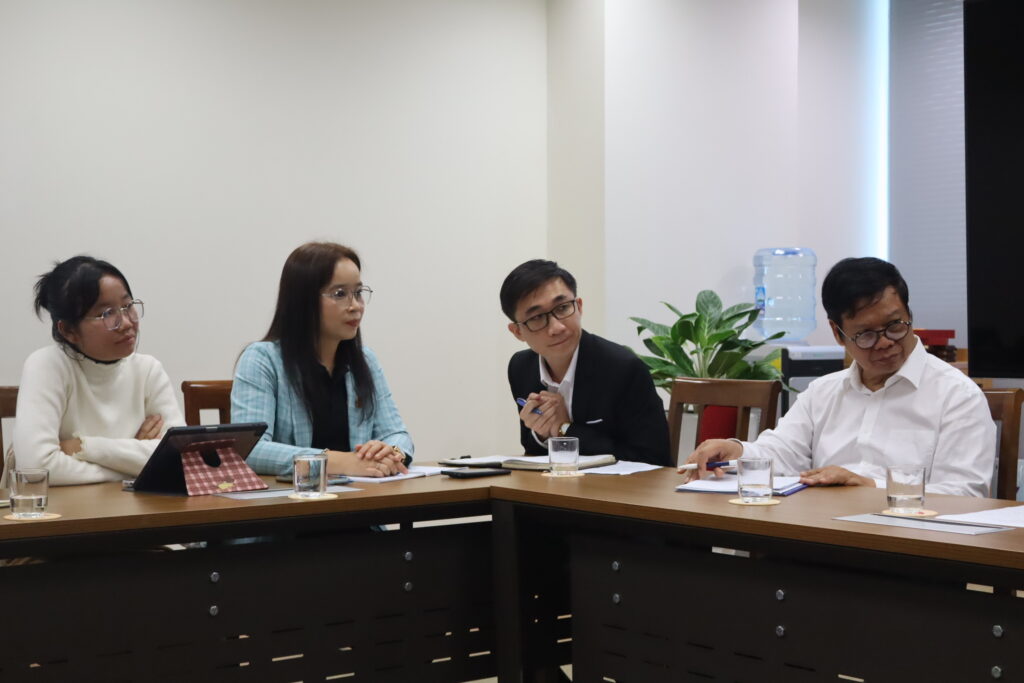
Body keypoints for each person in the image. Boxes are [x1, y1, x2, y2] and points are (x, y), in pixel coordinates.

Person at [680, 257, 996, 497]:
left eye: (895, 326)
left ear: (909, 315)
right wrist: (737, 451)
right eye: (866, 334)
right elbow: (783, 452)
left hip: (909, 546)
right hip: (823, 536)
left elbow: (965, 494)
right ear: (837, 333)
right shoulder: (823, 392)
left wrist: (869, 486)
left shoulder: (956, 395)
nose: (885, 342)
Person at [232, 242, 412, 478]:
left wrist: (391, 452)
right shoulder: (262, 360)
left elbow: (398, 435)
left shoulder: (365, 360)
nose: (355, 306)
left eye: (358, 293)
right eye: (340, 294)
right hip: (294, 498)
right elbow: (251, 450)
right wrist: (338, 462)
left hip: (361, 495)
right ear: (303, 300)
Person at [11, 256, 183, 486]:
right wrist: (134, 465)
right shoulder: (47, 365)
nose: (126, 322)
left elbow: (180, 458)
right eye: (107, 314)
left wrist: (85, 447)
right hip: (64, 508)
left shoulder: (148, 370)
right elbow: (36, 468)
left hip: (133, 506)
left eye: (128, 306)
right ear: (68, 330)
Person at [501, 259, 672, 466]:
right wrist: (543, 434)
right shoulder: (521, 367)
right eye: (536, 318)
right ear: (517, 332)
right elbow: (534, 452)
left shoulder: (623, 369)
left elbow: (654, 460)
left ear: (579, 307)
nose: (557, 327)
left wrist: (564, 429)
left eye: (563, 308)